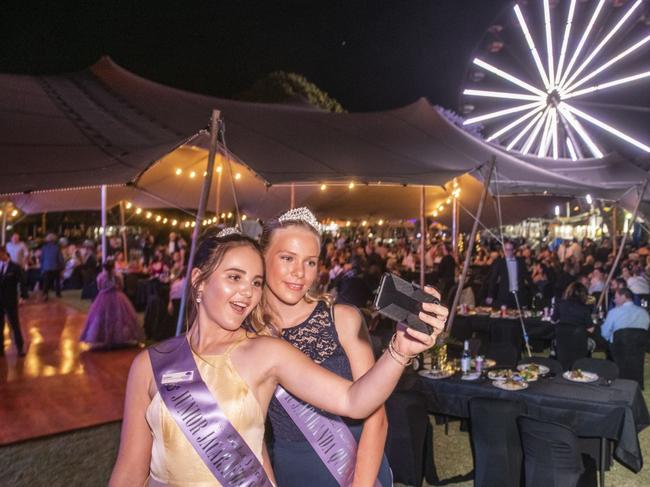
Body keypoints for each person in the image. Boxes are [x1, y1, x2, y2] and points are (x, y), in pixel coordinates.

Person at [109, 228, 445, 487]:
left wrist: (399, 350)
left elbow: (354, 400)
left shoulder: (265, 352)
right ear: (198, 281)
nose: (247, 291)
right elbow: (128, 472)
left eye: (255, 282)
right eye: (234, 277)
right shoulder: (149, 365)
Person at [260, 208, 403, 487]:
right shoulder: (248, 335)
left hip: (358, 462)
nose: (299, 273)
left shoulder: (343, 319)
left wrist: (361, 483)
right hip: (290, 469)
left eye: (310, 262)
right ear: (262, 257)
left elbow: (377, 417)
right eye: (287, 258)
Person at [80, 260, 143, 349]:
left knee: (102, 317)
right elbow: (121, 286)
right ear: (113, 267)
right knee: (120, 317)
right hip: (118, 297)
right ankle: (120, 337)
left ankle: (103, 337)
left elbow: (99, 287)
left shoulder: (101, 276)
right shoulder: (118, 276)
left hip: (103, 297)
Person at [486, 240, 530, 308]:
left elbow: (527, 277)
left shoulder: (520, 262)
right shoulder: (499, 262)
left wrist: (535, 291)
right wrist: (490, 295)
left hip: (519, 295)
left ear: (514, 250)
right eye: (506, 250)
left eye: (510, 250)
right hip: (505, 295)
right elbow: (493, 279)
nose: (508, 252)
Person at [0, 246, 27, 356]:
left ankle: (20, 348)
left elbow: (22, 282)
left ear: (4, 253)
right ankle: (0, 349)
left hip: (10, 300)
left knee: (15, 325)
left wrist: (23, 297)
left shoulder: (15, 267)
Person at [40, 233, 64, 300]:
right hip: (55, 267)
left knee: (46, 282)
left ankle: (45, 294)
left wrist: (42, 267)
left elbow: (41, 258)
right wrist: (62, 266)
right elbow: (60, 258)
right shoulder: (57, 248)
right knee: (57, 281)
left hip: (46, 267)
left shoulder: (44, 248)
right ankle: (58, 293)